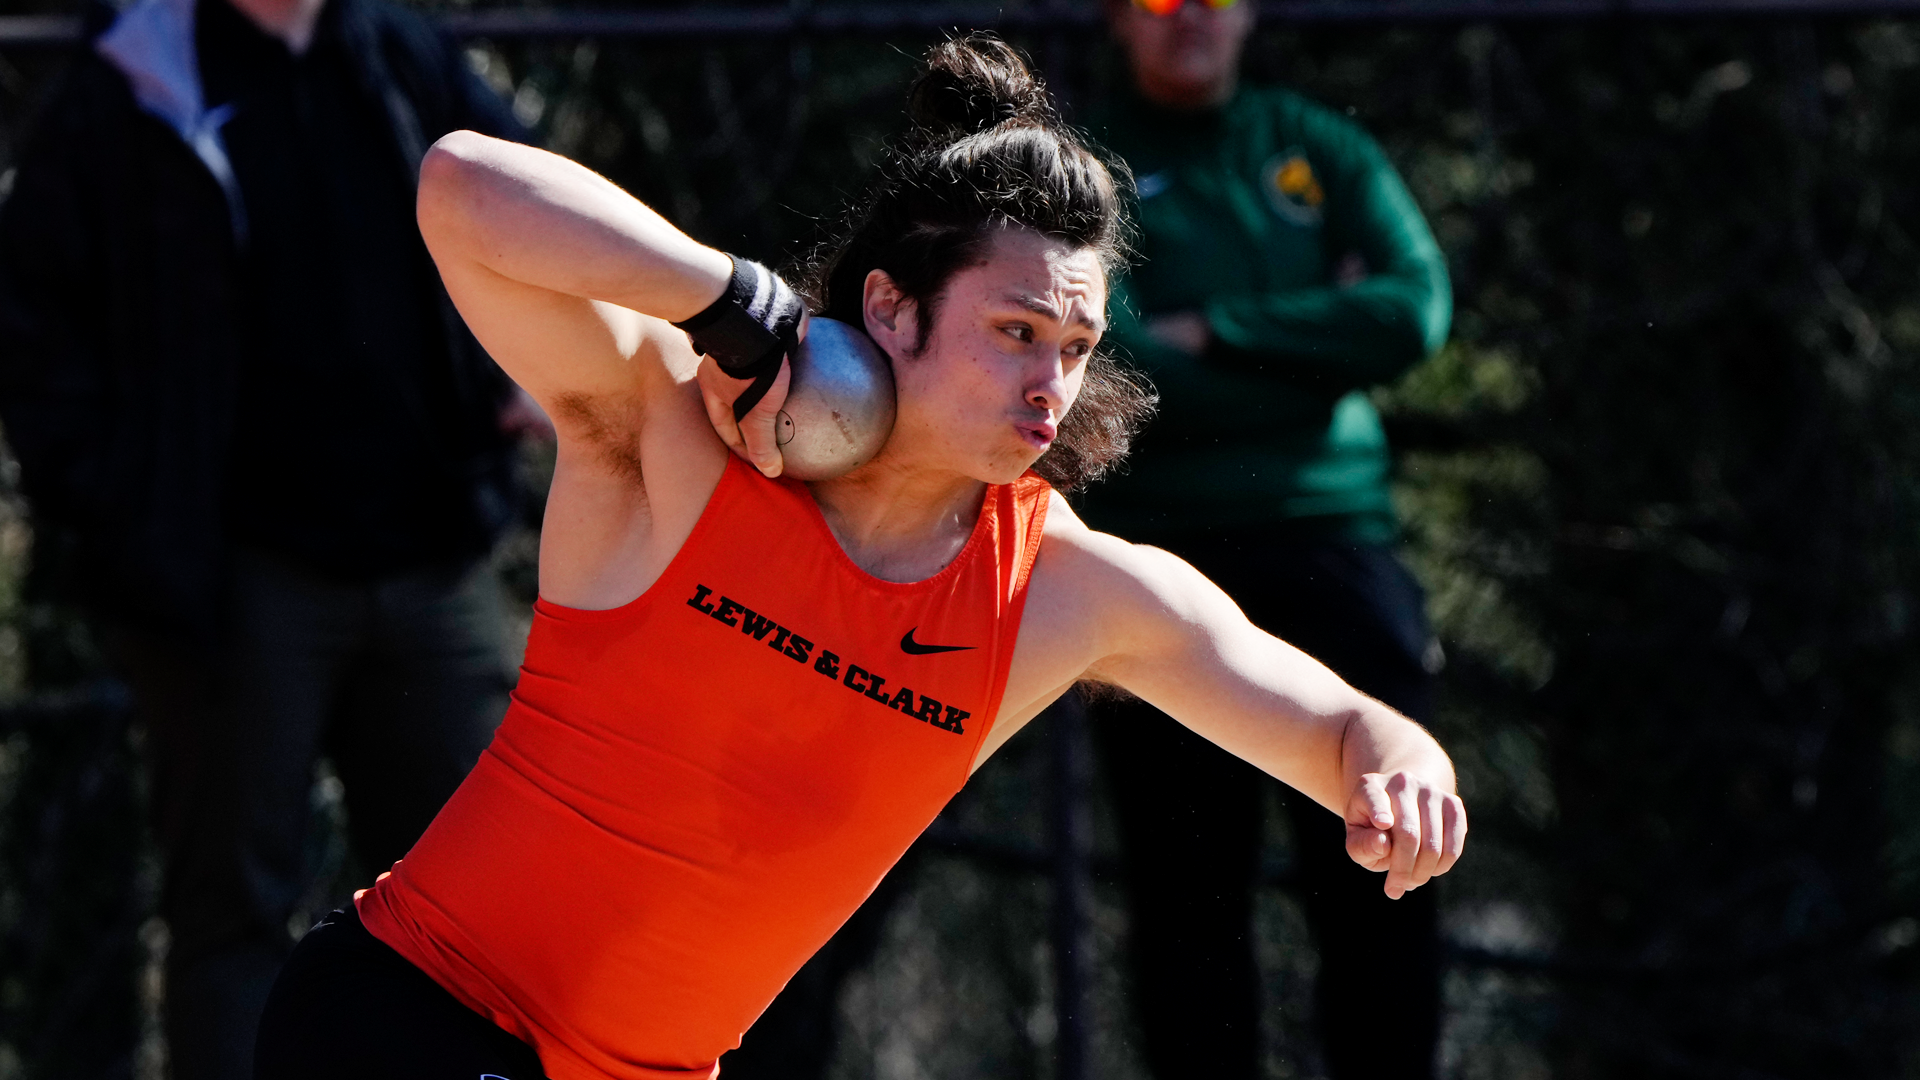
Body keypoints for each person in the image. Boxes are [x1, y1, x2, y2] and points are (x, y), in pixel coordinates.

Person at [250, 36, 1466, 1080]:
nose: (1050, 380)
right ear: (890, 309)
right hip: (412, 1011)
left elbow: (1342, 725)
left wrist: (1398, 764)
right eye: (1014, 330)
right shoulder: (679, 441)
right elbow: (461, 186)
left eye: (1077, 344)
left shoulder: (1060, 592)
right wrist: (737, 308)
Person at [0, 0, 531, 1076]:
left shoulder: (401, 53)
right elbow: (29, 321)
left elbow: (534, 205)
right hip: (234, 587)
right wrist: (119, 513)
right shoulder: (130, 83)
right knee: (233, 923)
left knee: (479, 925)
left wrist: (527, 365)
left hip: (434, 560)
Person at [1077, 2, 1456, 1078]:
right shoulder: (1088, 173)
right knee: (1186, 901)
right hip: (1162, 567)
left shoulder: (1319, 148)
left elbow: (1413, 313)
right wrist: (1312, 348)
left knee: (1383, 879)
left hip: (1336, 551)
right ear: (1118, 18)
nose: (1188, 12)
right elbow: (1121, 373)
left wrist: (1219, 333)